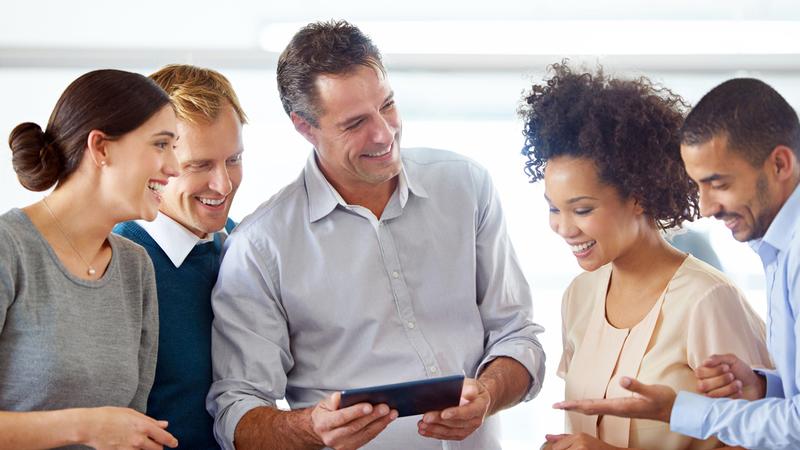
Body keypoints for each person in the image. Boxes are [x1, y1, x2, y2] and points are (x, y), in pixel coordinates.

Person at [207, 20, 545, 450]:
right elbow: (235, 410)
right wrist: (312, 428)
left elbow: (517, 335)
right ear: (304, 127)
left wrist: (490, 393)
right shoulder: (259, 247)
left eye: (387, 106)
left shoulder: (466, 187)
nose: (384, 134)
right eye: (354, 123)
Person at [519, 64, 771, 450]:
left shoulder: (707, 301)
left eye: (582, 210)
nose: (564, 228)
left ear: (638, 196)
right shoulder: (580, 296)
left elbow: (760, 439)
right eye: (554, 209)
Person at [1, 69, 180, 449]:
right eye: (161, 145)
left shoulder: (135, 266)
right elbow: (107, 429)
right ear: (101, 148)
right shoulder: (9, 249)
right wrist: (85, 427)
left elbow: (131, 428)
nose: (174, 167)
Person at [114, 64, 246, 450]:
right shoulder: (119, 262)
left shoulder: (243, 242)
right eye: (199, 165)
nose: (223, 184)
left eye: (234, 159)